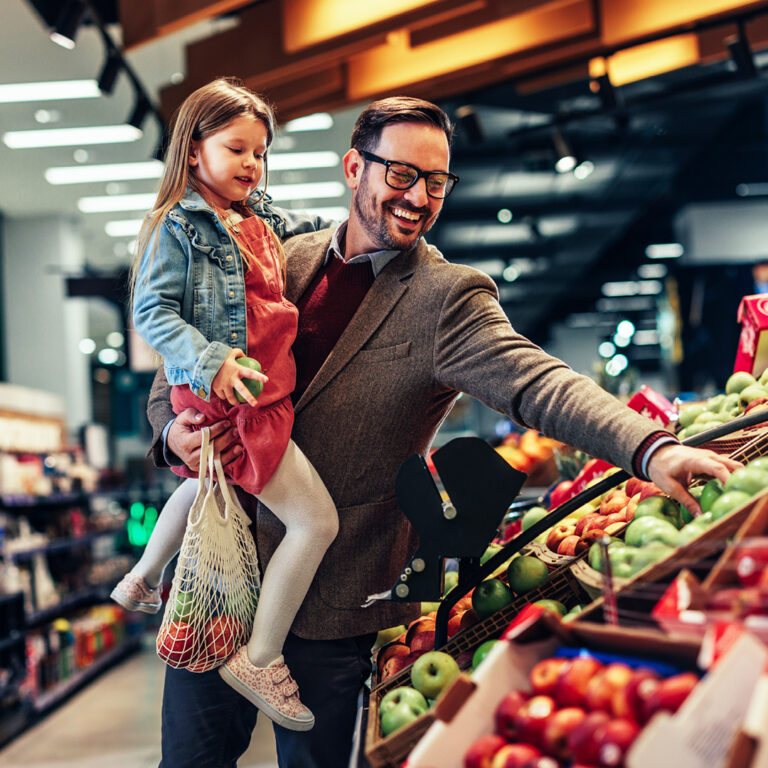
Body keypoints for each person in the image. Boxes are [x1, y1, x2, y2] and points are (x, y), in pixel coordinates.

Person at [145, 95, 740, 768]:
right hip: (217, 573)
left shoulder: (445, 298)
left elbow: (537, 381)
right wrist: (174, 435)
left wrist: (649, 447)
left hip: (333, 603)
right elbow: (177, 367)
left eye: (436, 181)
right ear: (353, 168)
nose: (419, 197)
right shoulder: (275, 253)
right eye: (401, 175)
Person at [112, 77, 340, 732]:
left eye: (260, 152)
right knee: (315, 522)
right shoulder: (177, 225)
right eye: (236, 148)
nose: (250, 163)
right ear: (192, 152)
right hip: (237, 396)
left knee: (207, 481)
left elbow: (309, 228)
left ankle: (143, 575)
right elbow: (151, 312)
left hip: (248, 395)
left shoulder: (254, 219)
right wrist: (213, 363)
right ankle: (260, 657)